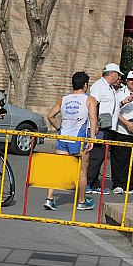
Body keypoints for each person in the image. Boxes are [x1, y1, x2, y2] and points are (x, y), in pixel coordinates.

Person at [43, 72, 98, 211]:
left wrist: (59, 128)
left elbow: (50, 115)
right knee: (82, 172)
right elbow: (93, 119)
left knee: (58, 169)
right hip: (78, 139)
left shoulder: (64, 99)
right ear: (85, 85)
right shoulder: (90, 100)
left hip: (63, 137)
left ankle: (49, 199)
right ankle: (81, 201)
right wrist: (92, 138)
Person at [86, 63, 133, 195]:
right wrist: (94, 127)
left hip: (107, 127)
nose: (119, 78)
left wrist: (123, 102)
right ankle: (88, 182)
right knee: (96, 156)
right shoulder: (99, 86)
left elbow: (110, 106)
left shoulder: (110, 88)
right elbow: (93, 105)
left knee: (100, 156)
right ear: (112, 73)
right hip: (100, 128)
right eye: (118, 75)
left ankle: (94, 182)